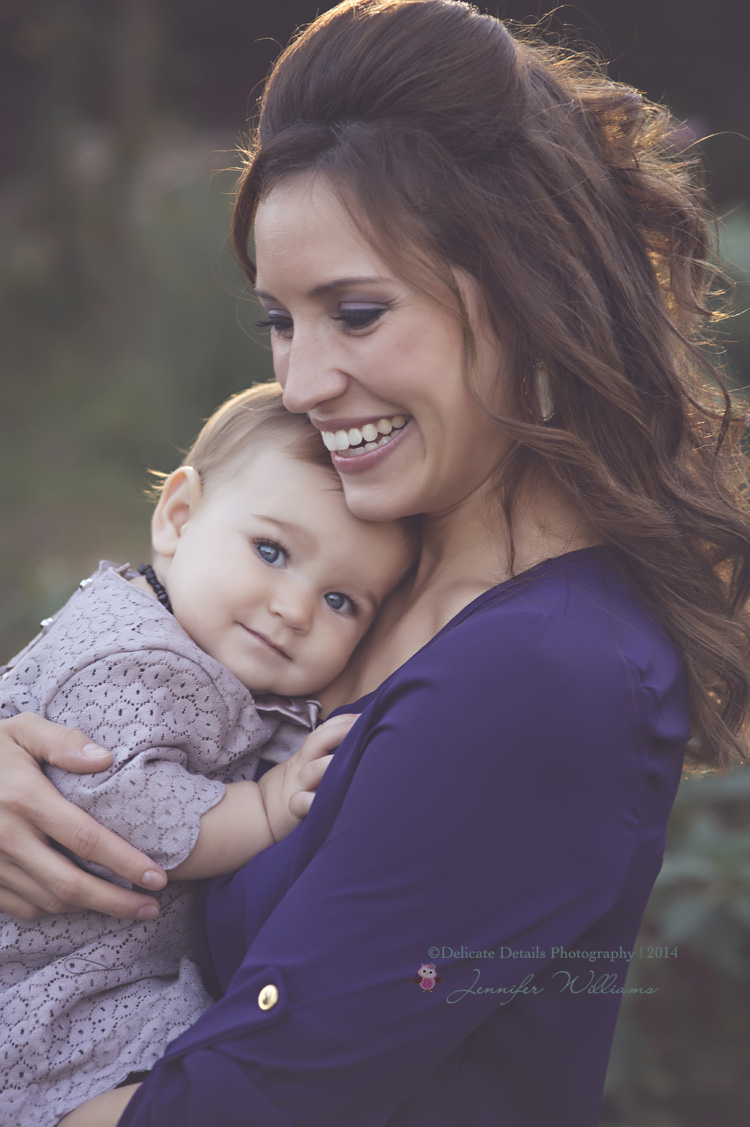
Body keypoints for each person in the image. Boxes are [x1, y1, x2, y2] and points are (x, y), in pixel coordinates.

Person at [2, 1, 750, 1124]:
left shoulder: (545, 674)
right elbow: (128, 699)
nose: (300, 384)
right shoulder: (362, 565)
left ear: (527, 287)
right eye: (281, 322)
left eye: (355, 312)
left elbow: (245, 1102)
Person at [0, 382, 413, 1126]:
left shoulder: (208, 650)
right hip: (43, 976)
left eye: (342, 601)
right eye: (271, 550)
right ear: (179, 516)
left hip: (101, 972)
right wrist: (262, 802)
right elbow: (118, 801)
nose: (293, 608)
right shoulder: (137, 655)